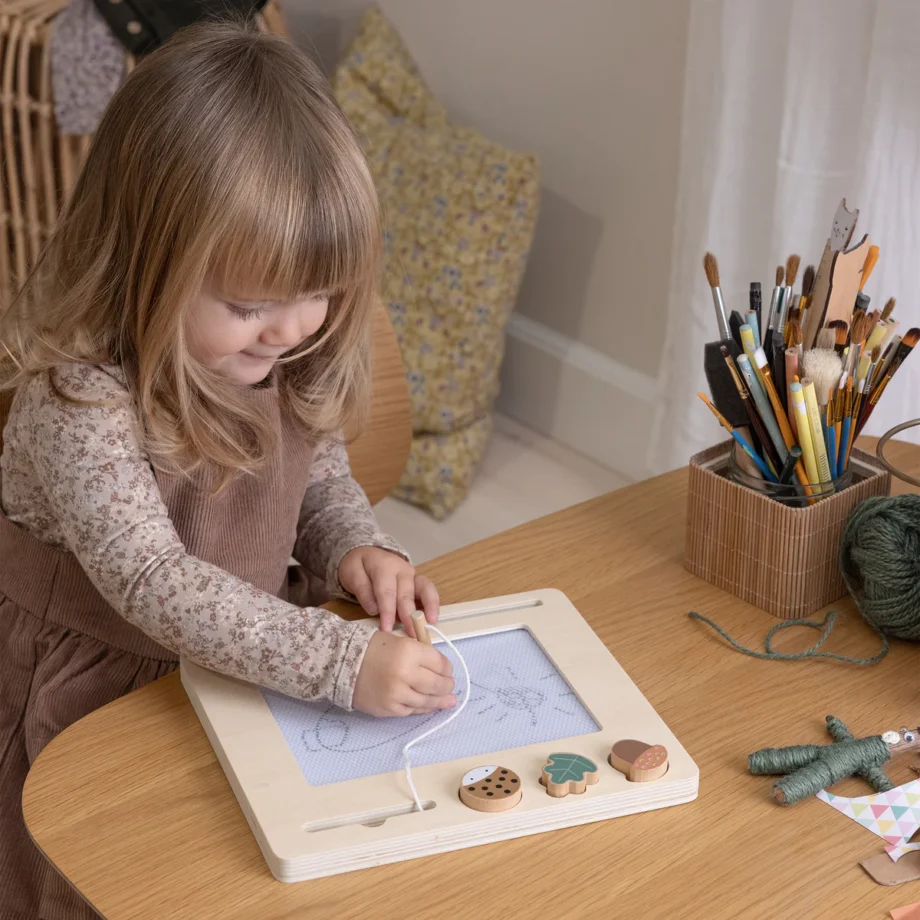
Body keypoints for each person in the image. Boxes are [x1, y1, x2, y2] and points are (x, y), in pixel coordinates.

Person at [0, 21, 455, 919]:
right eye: (251, 305)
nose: (291, 331)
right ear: (141, 265)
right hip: (88, 697)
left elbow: (318, 474)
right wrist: (336, 657)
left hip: (233, 672)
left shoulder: (276, 360)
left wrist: (352, 547)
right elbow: (153, 581)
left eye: (315, 295)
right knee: (94, 886)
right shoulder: (78, 404)